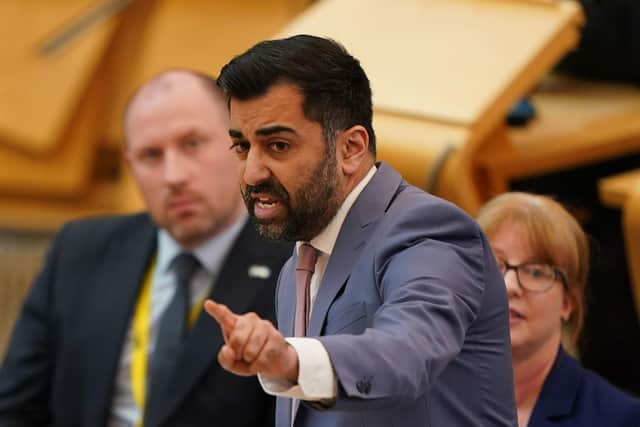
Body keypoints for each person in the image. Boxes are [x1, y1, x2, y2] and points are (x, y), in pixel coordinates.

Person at [203, 34, 517, 427]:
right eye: (242, 147)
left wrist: (290, 359)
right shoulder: (295, 267)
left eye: (278, 146)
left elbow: (407, 351)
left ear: (351, 148)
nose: (252, 173)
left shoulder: (428, 232)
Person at [0, 70, 292, 427]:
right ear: (131, 166)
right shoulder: (80, 250)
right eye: (151, 155)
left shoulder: (295, 265)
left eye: (192, 144)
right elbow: (15, 408)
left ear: (240, 145)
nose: (173, 175)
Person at [476, 192, 640, 427]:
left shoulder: (620, 419)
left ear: (568, 303)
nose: (509, 286)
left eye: (535, 271)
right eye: (493, 264)